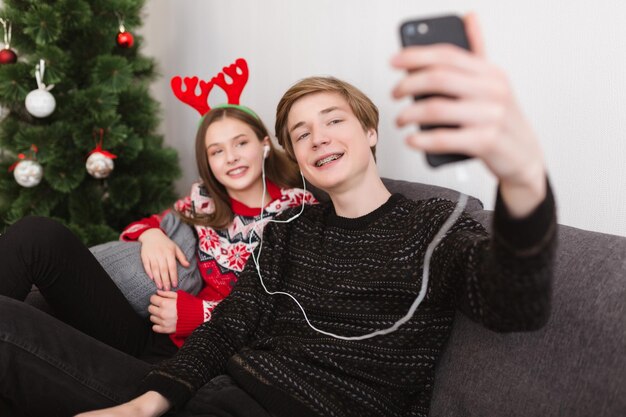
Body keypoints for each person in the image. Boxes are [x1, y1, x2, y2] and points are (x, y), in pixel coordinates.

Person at [0, 13, 555, 417]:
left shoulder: (433, 226)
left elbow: (513, 303)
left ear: (369, 131)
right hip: (207, 385)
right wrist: (153, 400)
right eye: (302, 132)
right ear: (294, 154)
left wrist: (524, 176)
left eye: (333, 120)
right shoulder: (291, 231)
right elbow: (231, 329)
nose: (318, 137)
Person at [0, 105, 314, 361]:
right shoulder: (205, 204)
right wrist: (152, 236)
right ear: (208, 163)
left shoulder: (297, 212)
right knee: (37, 241)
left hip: (179, 354)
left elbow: (295, 308)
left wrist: (199, 315)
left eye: (240, 143)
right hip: (137, 321)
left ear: (264, 144)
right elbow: (151, 222)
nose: (230, 157)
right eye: (216, 151)